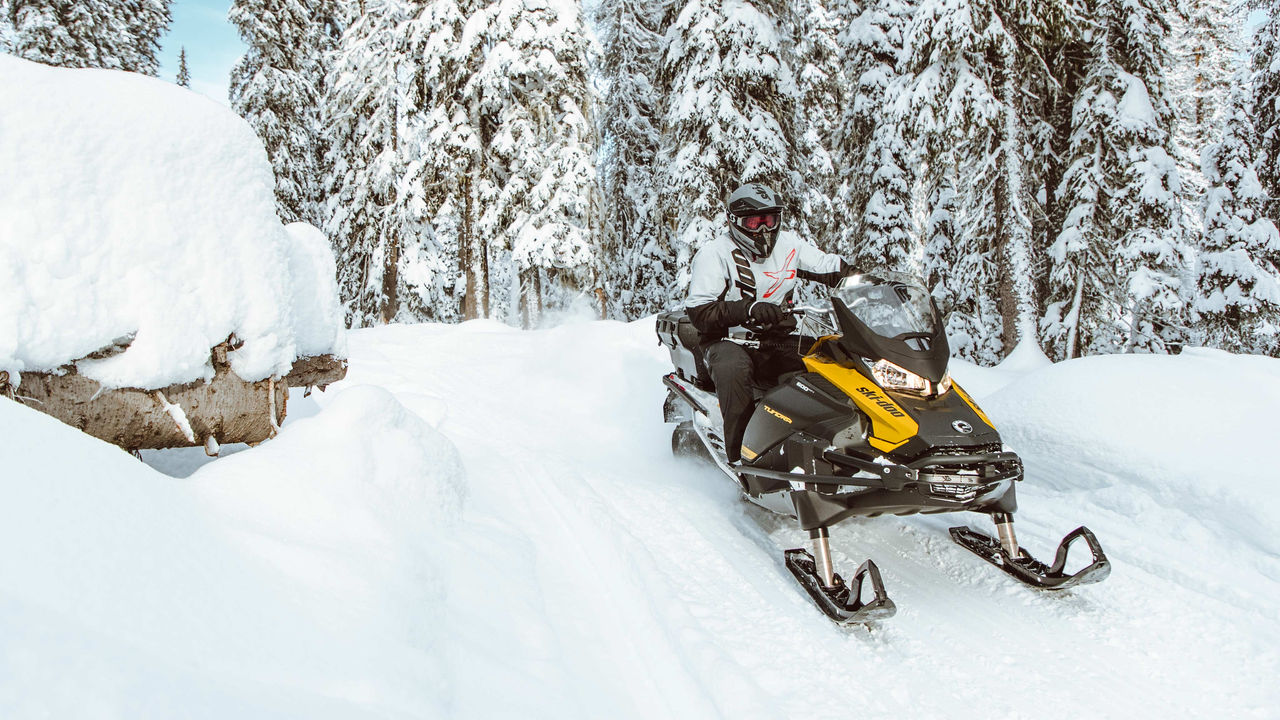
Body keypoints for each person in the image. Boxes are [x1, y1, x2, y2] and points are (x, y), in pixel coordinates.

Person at [686, 183, 851, 464]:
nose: (764, 230)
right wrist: (748, 309)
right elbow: (700, 310)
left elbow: (827, 266)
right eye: (754, 222)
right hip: (728, 341)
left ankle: (841, 442)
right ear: (736, 222)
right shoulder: (715, 253)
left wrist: (863, 278)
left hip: (776, 339)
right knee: (734, 371)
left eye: (770, 220)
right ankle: (741, 462)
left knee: (834, 359)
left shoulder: (788, 245)